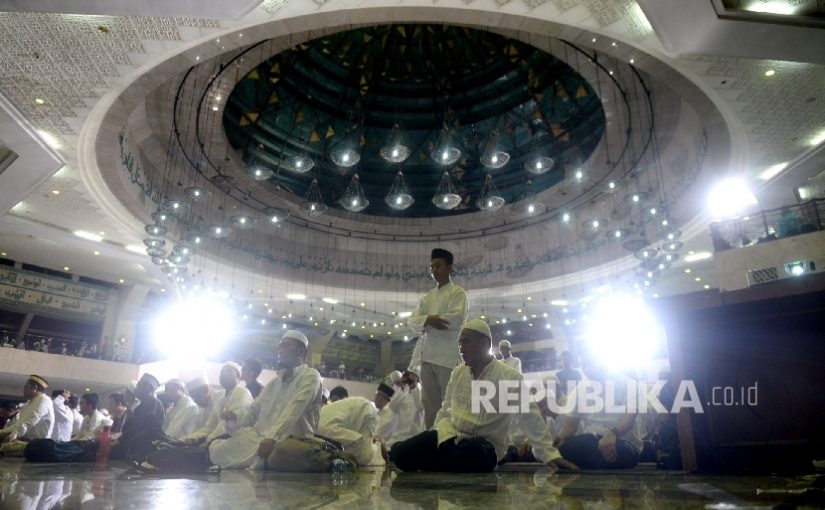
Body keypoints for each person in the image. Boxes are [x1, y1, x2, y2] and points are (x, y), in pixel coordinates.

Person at [391, 320, 578, 473]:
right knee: (400, 455)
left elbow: (529, 416)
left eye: (466, 342)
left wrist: (549, 454)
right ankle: (435, 459)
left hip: (485, 446)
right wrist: (432, 436)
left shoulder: (509, 376)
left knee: (473, 452)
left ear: (485, 344)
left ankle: (433, 462)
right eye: (460, 343)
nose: (461, 348)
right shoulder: (458, 373)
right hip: (448, 435)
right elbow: (446, 409)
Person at [209, 330, 323, 469]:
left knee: (281, 452)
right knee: (217, 447)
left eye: (286, 346)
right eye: (280, 346)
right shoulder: (274, 383)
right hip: (260, 438)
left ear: (301, 352)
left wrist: (272, 437)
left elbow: (293, 410)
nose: (280, 350)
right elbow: (253, 411)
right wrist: (235, 417)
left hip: (291, 440)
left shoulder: (311, 376)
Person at [553, 344, 642, 469]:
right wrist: (561, 437)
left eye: (590, 362)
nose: (586, 368)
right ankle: (597, 461)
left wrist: (612, 434)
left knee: (621, 451)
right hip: (591, 441)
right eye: (583, 364)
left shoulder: (628, 384)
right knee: (563, 449)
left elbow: (629, 419)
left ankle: (592, 462)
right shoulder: (580, 389)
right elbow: (570, 425)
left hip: (621, 442)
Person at [407, 248, 469, 428]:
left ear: (450, 268)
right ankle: (433, 446)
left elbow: (455, 320)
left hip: (447, 358)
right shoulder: (427, 298)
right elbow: (412, 321)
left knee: (449, 405)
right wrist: (430, 319)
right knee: (430, 407)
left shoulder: (457, 293)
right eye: (432, 267)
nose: (434, 270)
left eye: (439, 266)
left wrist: (426, 322)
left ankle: (450, 444)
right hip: (427, 358)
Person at [183, 362, 253, 443]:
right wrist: (191, 437)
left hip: (238, 440)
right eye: (221, 372)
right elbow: (210, 427)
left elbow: (227, 424)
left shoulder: (241, 391)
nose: (223, 375)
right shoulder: (223, 399)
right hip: (219, 440)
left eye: (228, 371)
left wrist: (208, 441)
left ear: (238, 376)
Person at [109, 373, 165, 459]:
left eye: (139, 385)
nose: (136, 388)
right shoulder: (145, 403)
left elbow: (139, 427)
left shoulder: (152, 403)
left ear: (148, 387)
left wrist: (119, 441)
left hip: (141, 446)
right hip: (134, 443)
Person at [318, 392, 382, 466]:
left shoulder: (326, 431)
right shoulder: (317, 426)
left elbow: (358, 440)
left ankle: (380, 451)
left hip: (366, 411)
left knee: (364, 457)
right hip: (360, 408)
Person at [0, 375, 55, 445]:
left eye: (25, 387)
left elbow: (30, 421)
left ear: (34, 388)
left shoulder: (44, 401)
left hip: (37, 445)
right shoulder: (28, 403)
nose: (23, 389)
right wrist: (2, 432)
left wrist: (13, 435)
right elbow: (18, 425)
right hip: (25, 441)